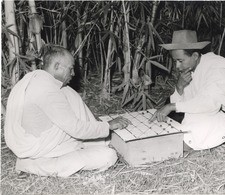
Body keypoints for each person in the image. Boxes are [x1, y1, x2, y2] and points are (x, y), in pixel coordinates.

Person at [4, 45, 131, 177]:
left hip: (34, 140)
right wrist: (108, 125)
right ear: (57, 66)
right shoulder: (47, 90)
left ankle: (89, 141)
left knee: (68, 92)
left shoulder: (35, 78)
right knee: (108, 156)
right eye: (70, 69)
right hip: (39, 147)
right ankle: (32, 165)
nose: (73, 74)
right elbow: (76, 129)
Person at [150, 30, 225, 150]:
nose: (177, 66)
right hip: (213, 108)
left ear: (195, 56)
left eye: (180, 61)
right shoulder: (195, 65)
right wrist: (180, 87)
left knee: (191, 119)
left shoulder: (216, 68)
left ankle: (185, 143)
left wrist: (171, 106)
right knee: (172, 107)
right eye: (175, 61)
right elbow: (189, 101)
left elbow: (209, 105)